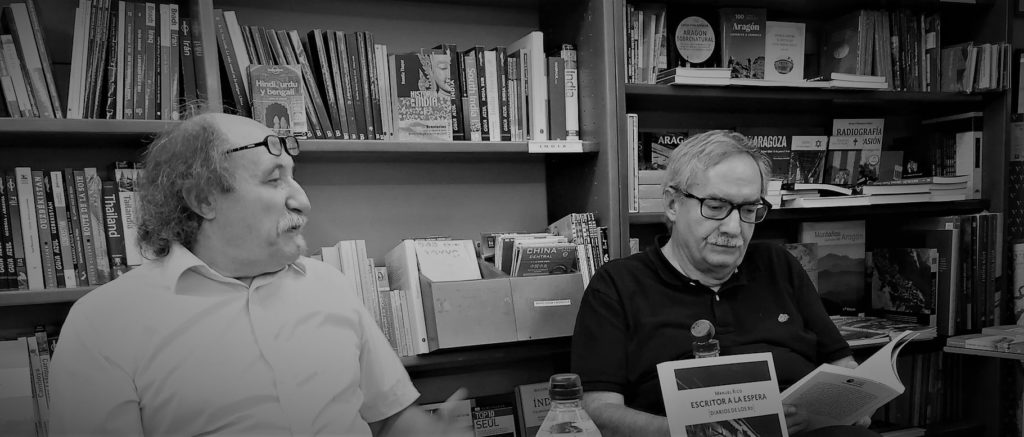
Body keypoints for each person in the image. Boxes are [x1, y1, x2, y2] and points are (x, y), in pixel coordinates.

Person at [48, 113, 470, 436]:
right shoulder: (103, 323)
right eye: (274, 180)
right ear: (203, 199)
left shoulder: (330, 286)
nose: (302, 201)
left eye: (294, 177)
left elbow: (389, 418)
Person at [571, 130, 878, 437]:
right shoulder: (617, 285)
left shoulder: (778, 264)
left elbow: (843, 365)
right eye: (716, 207)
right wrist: (696, 432)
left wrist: (852, 403)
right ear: (673, 204)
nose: (733, 228)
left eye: (748, 210)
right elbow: (599, 411)